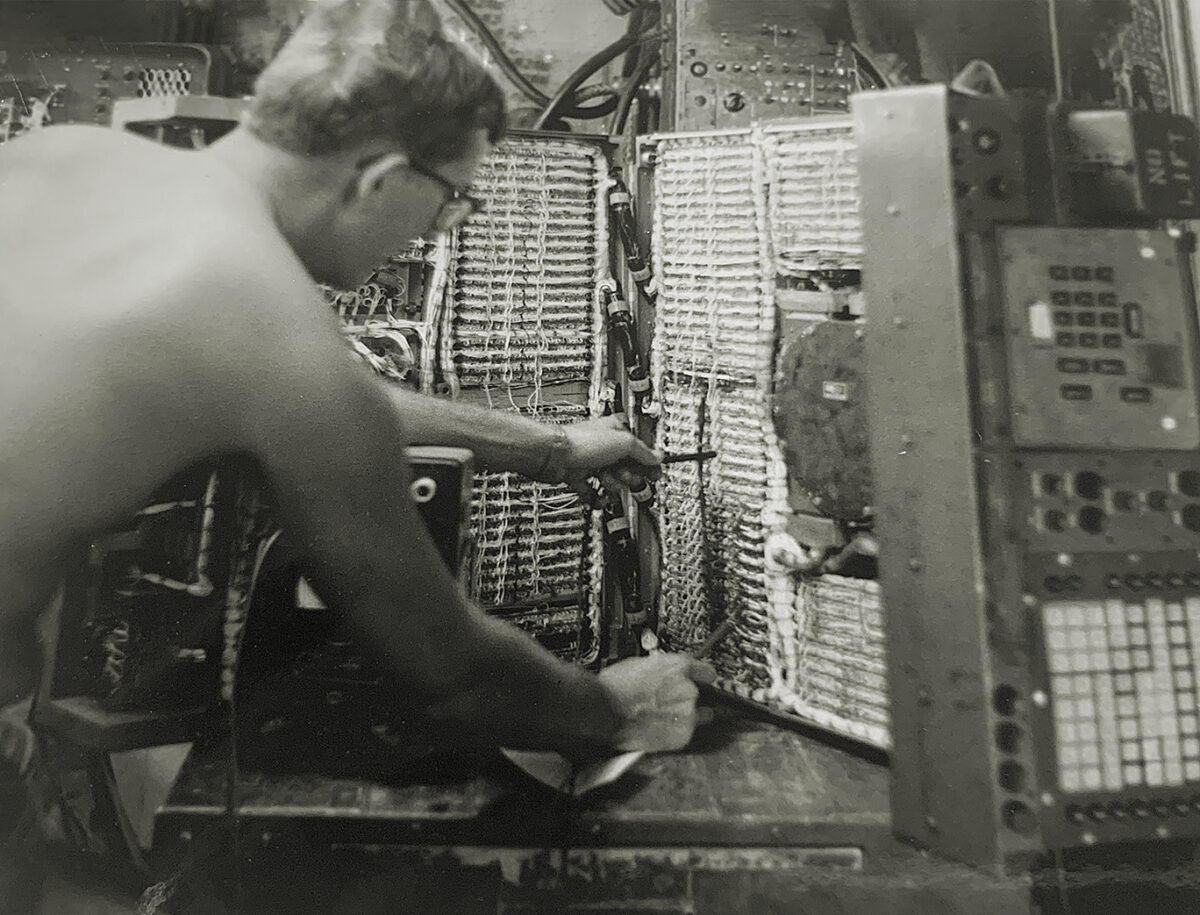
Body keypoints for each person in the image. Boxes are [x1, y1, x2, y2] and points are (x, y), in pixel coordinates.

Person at [0, 0, 714, 787]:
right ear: (378, 177)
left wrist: (546, 447)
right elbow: (455, 674)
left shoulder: (60, 157)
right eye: (451, 201)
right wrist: (616, 709)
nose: (439, 231)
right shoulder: (269, 325)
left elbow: (273, 393)